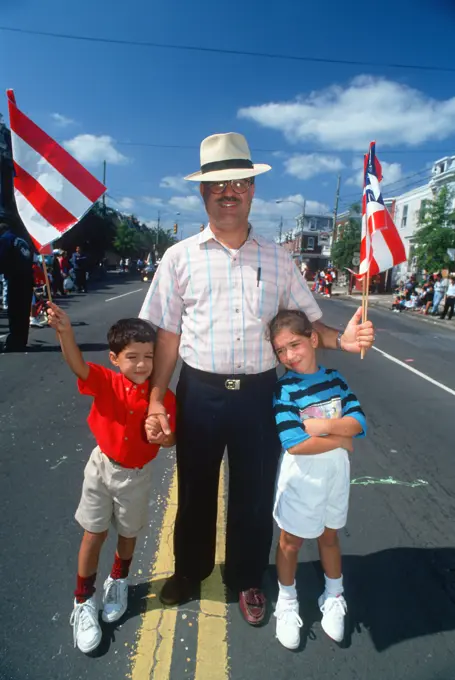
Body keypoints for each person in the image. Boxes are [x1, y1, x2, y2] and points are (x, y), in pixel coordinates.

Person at [140, 132, 374, 625]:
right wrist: (157, 399)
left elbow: (308, 325)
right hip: (200, 391)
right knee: (196, 489)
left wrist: (344, 340)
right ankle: (190, 570)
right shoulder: (178, 258)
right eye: (218, 184)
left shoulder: (278, 257)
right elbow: (166, 337)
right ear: (203, 193)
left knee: (253, 491)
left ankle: (247, 578)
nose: (230, 191)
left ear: (252, 190)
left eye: (240, 182)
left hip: (260, 395)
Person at [46, 303, 176, 654]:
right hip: (101, 467)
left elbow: (171, 437)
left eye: (149, 357)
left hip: (136, 475)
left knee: (129, 533)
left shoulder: (161, 398)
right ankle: (83, 598)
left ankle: (118, 578)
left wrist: (162, 436)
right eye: (132, 357)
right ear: (115, 358)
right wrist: (66, 333)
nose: (142, 365)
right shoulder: (106, 381)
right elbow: (77, 365)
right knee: (94, 532)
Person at [269, 309, 366, 649]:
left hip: (335, 478)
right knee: (290, 542)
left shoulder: (336, 379)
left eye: (294, 345)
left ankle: (333, 594)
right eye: (280, 351)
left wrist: (324, 427)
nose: (289, 356)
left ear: (313, 339)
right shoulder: (285, 389)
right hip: (301, 481)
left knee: (329, 537)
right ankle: (287, 599)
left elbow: (359, 422)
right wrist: (340, 440)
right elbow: (293, 443)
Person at [0, 222, 34, 352]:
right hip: (27, 278)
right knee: (24, 312)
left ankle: (14, 341)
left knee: (14, 311)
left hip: (16, 278)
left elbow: (1, 258)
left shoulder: (5, 239)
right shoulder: (21, 240)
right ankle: (21, 340)